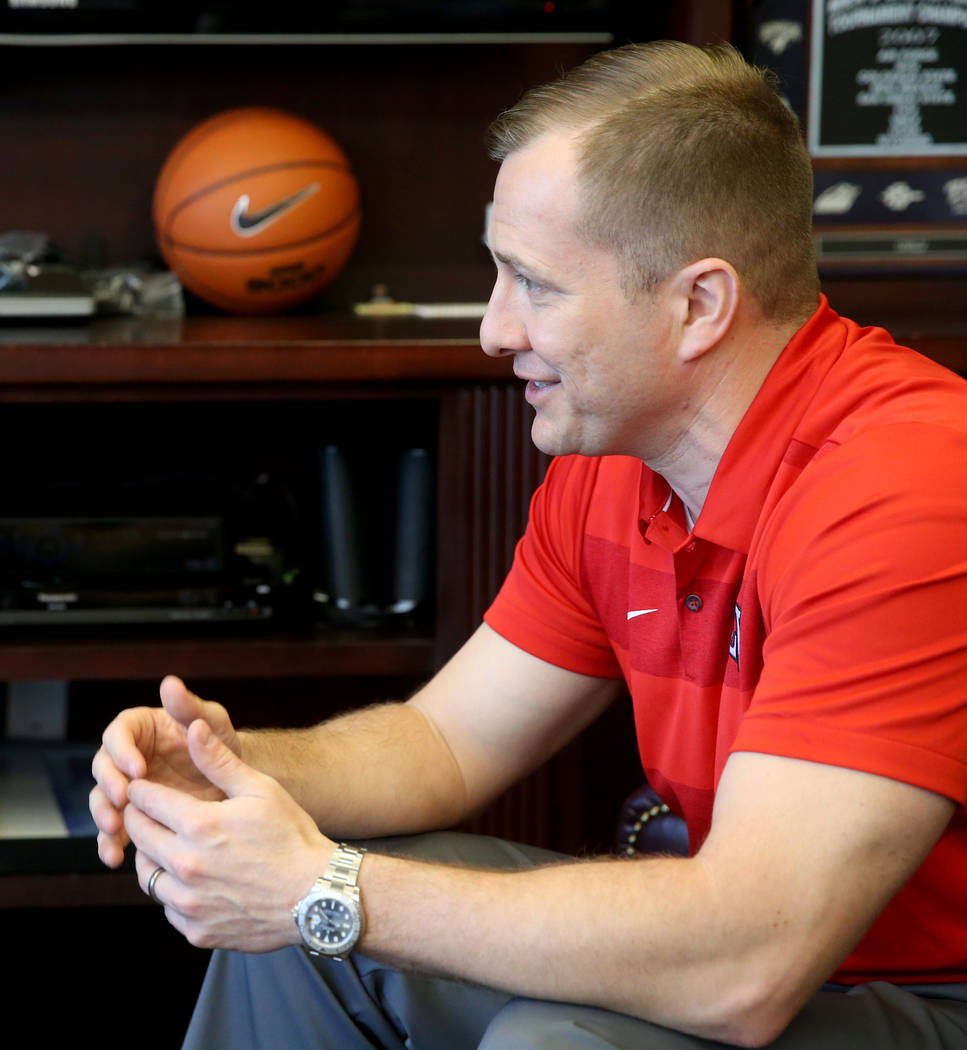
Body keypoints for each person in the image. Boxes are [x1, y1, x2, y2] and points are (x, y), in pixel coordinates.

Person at [89, 40, 967, 1049]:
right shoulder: (612, 463)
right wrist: (229, 763)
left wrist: (320, 886)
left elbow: (750, 962)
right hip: (752, 944)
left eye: (533, 285)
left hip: (918, 990)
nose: (493, 331)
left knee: (536, 1035)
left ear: (700, 305)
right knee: (305, 943)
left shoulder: (903, 485)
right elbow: (443, 744)